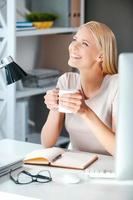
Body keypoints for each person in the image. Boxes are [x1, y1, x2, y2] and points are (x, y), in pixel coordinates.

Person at [41, 21, 118, 156]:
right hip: (77, 166)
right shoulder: (67, 81)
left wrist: (85, 112)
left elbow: (121, 151)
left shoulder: (117, 85)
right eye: (75, 39)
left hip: (107, 169)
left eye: (84, 43)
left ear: (101, 55)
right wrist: (54, 108)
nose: (73, 46)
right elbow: (47, 143)